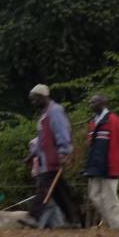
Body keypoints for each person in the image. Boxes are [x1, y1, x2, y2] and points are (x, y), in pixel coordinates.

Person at [28, 84, 80, 227]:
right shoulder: (44, 114)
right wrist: (32, 154)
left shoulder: (55, 111)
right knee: (60, 193)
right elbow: (42, 140)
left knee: (44, 188)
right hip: (46, 160)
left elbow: (62, 132)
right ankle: (74, 220)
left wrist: (64, 152)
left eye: (34, 100)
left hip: (54, 159)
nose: (33, 103)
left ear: (42, 97)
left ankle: (33, 217)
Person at [84, 93, 119, 229]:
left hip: (110, 164)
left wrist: (115, 163)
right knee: (94, 195)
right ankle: (110, 222)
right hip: (95, 164)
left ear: (102, 103)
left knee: (110, 196)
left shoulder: (114, 120)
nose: (90, 105)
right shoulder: (93, 122)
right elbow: (91, 144)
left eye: (93, 103)